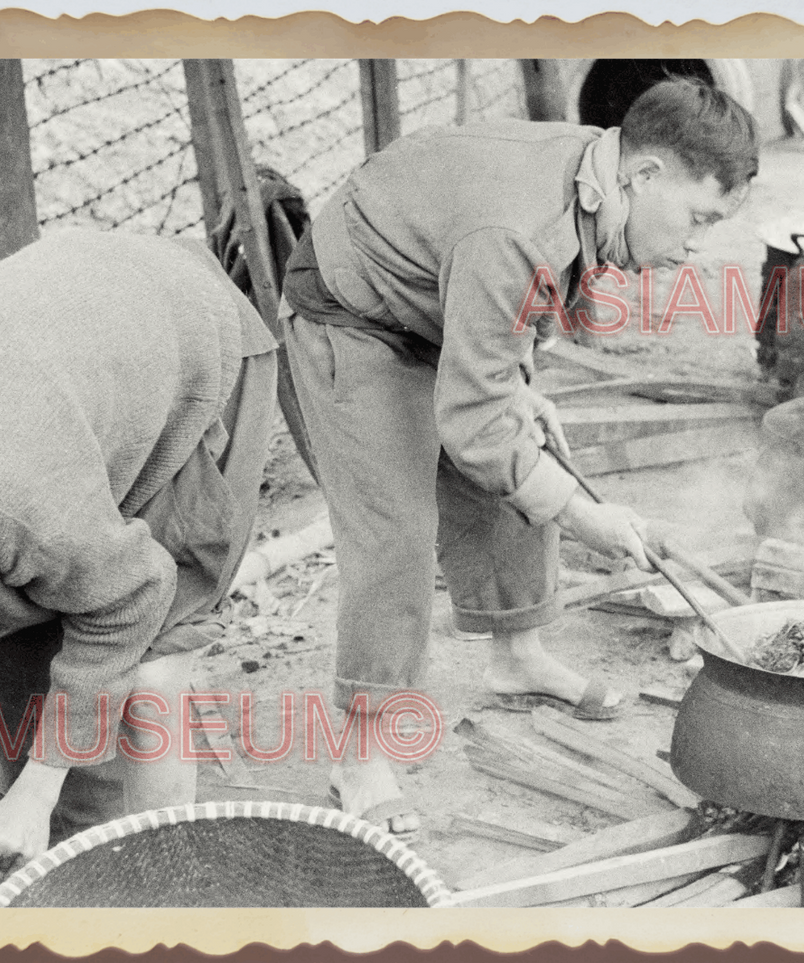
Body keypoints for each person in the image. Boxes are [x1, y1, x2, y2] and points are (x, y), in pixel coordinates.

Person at [278, 78, 758, 833]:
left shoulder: (591, 174)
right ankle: (360, 756)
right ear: (646, 174)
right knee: (396, 532)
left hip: (434, 304)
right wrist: (587, 518)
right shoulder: (517, 226)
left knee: (531, 454)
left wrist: (520, 386)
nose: (694, 245)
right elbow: (472, 421)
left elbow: (519, 309)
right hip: (352, 318)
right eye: (697, 218)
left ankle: (517, 657)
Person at [0, 230, 277, 884]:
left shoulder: (10, 499)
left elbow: (130, 597)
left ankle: (167, 896)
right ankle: (76, 868)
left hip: (195, 352)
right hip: (68, 385)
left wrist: (36, 793)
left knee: (148, 678)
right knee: (23, 672)